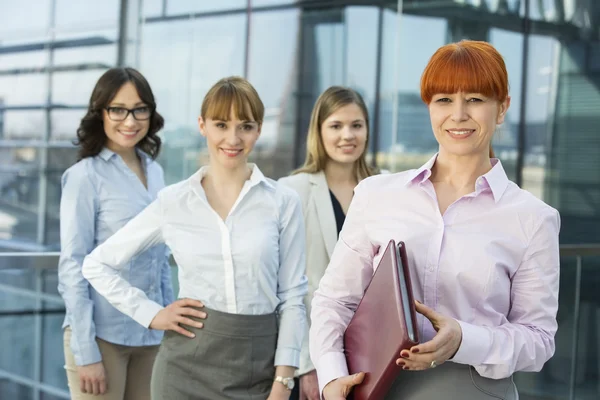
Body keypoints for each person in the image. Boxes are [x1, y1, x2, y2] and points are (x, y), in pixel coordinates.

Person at [309, 40, 561, 400]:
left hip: (473, 390)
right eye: (443, 100)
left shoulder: (533, 218)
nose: (458, 115)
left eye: (475, 99)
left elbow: (538, 340)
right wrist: (332, 375)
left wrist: (463, 339)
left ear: (501, 108)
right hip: (375, 384)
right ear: (429, 107)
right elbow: (334, 300)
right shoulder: (377, 195)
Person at [81, 76, 308, 400]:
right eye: (221, 124)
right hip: (185, 369)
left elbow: (293, 297)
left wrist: (283, 383)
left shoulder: (282, 201)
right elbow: (96, 264)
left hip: (261, 369)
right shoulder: (174, 201)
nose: (233, 138)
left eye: (245, 126)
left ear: (258, 130)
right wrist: (152, 313)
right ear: (202, 126)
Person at [58, 67, 175, 399]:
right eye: (118, 109)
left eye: (140, 109)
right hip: (101, 337)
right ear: (101, 113)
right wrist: (86, 353)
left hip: (151, 334)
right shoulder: (84, 177)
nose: (130, 120)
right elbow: (73, 265)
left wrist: (166, 316)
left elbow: (159, 257)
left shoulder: (155, 172)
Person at [279, 86, 376, 400]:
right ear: (318, 132)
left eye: (356, 125)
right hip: (315, 354)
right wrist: (308, 364)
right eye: (336, 126)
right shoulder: (293, 191)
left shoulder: (384, 190)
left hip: (373, 352)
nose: (347, 135)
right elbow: (291, 288)